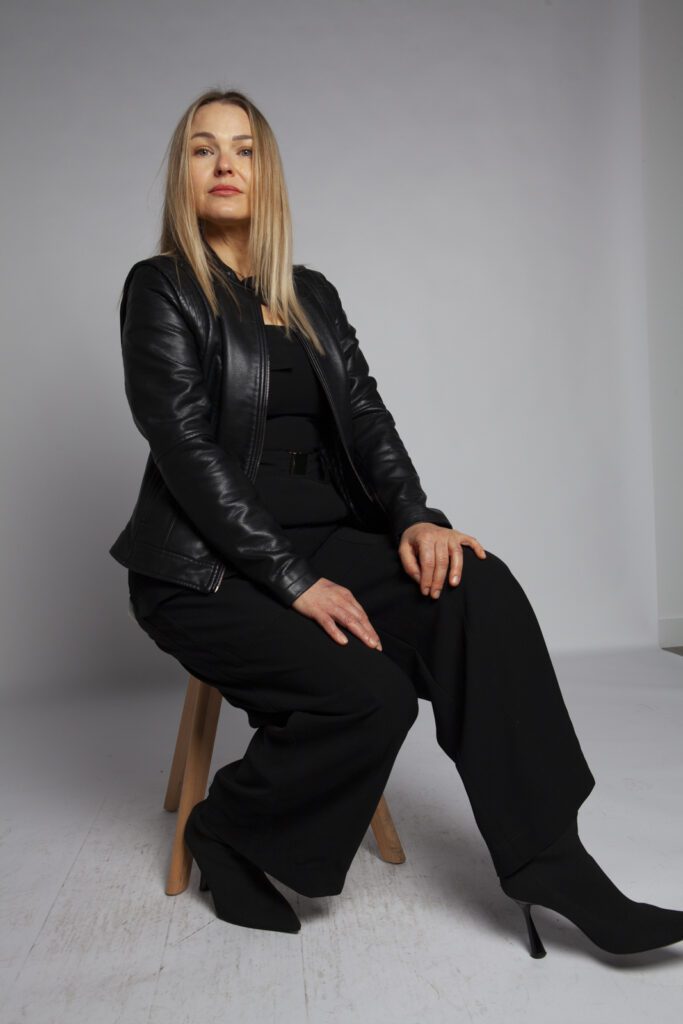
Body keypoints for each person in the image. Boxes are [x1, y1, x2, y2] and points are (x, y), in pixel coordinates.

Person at [110, 88, 683, 957]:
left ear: (268, 174)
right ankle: (226, 830)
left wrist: (415, 518)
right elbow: (186, 449)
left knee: (477, 588)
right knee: (369, 698)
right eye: (203, 148)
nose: (225, 164)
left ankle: (550, 860)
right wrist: (295, 583)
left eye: (245, 149)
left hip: (327, 541)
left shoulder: (311, 294)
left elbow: (366, 419)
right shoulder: (161, 289)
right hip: (204, 567)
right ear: (181, 173)